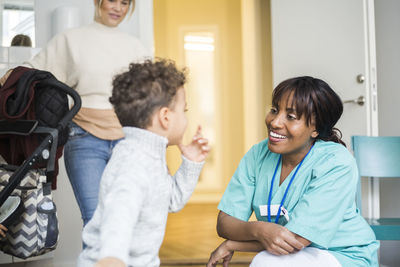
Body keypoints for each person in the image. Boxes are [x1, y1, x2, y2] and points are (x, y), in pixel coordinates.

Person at [0, 0, 151, 227]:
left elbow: (149, 98)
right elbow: (30, 71)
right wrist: (8, 81)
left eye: (125, 3)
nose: (118, 7)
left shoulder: (137, 47)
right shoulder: (71, 39)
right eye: (112, 0)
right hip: (83, 137)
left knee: (128, 220)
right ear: (97, 1)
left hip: (128, 140)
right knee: (94, 221)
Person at [207, 76, 379, 267]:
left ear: (315, 129)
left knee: (266, 262)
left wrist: (235, 243)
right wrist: (259, 229)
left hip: (343, 255)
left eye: (290, 117)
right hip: (291, 254)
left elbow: (296, 240)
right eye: (274, 110)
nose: (275, 122)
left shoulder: (336, 162)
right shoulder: (258, 154)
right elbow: (225, 223)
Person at [77, 58, 209, 267]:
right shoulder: (134, 163)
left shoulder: (149, 156)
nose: (186, 118)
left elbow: (171, 201)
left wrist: (190, 163)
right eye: (183, 111)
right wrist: (112, 258)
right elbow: (119, 214)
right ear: (165, 117)